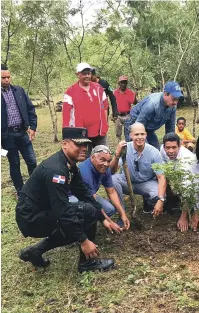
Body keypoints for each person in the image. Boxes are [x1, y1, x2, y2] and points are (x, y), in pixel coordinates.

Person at [16, 127, 117, 273]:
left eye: (85, 145)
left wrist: (102, 217)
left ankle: (36, 251)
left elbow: (84, 193)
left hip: (43, 211)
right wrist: (84, 240)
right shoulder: (56, 170)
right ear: (64, 144)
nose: (83, 149)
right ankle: (87, 264)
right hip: (30, 218)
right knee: (84, 213)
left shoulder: (69, 165)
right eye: (78, 144)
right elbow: (62, 210)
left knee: (87, 211)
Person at [111, 122, 167, 216]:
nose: (140, 137)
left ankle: (149, 203)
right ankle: (121, 211)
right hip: (127, 182)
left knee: (160, 195)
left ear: (146, 135)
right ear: (131, 135)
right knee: (112, 180)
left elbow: (161, 177)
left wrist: (161, 200)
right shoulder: (125, 148)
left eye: (142, 134)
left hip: (146, 182)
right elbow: (111, 171)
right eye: (136, 134)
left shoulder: (154, 152)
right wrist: (117, 155)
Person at [70, 144, 130, 229]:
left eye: (108, 161)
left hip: (90, 196)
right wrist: (109, 221)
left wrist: (123, 214)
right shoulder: (85, 171)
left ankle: (93, 219)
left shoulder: (105, 168)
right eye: (102, 160)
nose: (106, 164)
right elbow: (92, 199)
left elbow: (111, 192)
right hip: (72, 197)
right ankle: (77, 228)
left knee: (110, 209)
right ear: (92, 158)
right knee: (88, 209)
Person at [1, 63, 37, 197]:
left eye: (8, 77)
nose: (6, 80)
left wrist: (32, 127)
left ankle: (35, 188)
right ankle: (21, 192)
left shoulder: (19, 91)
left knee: (32, 161)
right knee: (14, 164)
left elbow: (30, 109)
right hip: (7, 136)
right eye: (3, 77)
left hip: (22, 133)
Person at [124, 81, 182, 150]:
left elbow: (170, 129)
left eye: (177, 99)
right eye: (173, 99)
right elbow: (138, 127)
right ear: (165, 94)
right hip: (134, 124)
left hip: (148, 128)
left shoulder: (172, 106)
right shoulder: (152, 104)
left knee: (156, 150)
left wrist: (172, 144)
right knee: (140, 151)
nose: (175, 102)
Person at [62, 62, 109, 147]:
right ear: (77, 74)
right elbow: (66, 114)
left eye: (89, 73)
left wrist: (105, 124)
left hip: (100, 133)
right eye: (84, 74)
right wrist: (67, 136)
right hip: (81, 135)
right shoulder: (70, 92)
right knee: (84, 158)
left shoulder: (98, 88)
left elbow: (105, 107)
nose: (87, 76)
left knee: (103, 157)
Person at [160, 132, 196, 232]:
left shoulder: (187, 159)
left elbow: (188, 189)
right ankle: (171, 201)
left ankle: (188, 209)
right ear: (164, 146)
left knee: (183, 186)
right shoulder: (162, 150)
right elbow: (163, 169)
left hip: (189, 184)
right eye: (168, 147)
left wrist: (183, 217)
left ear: (180, 145)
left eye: (174, 147)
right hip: (173, 177)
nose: (170, 151)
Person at [114, 75, 137, 141]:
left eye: (125, 82)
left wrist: (135, 96)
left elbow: (134, 102)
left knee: (128, 132)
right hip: (118, 116)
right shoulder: (115, 92)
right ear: (119, 83)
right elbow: (113, 104)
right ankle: (120, 148)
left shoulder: (130, 92)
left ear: (126, 83)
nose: (123, 84)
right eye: (122, 82)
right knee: (118, 134)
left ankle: (128, 147)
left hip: (127, 115)